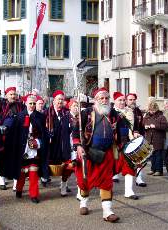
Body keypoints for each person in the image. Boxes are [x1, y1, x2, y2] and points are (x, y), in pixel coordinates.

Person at [73, 87, 121, 223]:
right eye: (102, 98)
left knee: (106, 181)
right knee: (84, 180)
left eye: (106, 98)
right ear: (95, 100)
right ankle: (83, 203)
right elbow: (76, 133)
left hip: (107, 153)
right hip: (88, 152)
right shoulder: (86, 113)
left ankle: (107, 211)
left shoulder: (114, 114)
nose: (105, 100)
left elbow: (121, 131)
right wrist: (78, 146)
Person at [12, 94, 46, 203]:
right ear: (25, 103)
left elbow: (43, 133)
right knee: (22, 171)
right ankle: (19, 189)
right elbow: (15, 134)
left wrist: (38, 142)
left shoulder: (40, 116)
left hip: (34, 148)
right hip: (22, 147)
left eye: (34, 103)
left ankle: (34, 195)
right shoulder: (19, 116)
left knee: (33, 171)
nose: (32, 105)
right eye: (30, 103)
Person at [45, 90, 74, 196]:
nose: (60, 101)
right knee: (50, 165)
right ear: (54, 101)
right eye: (58, 99)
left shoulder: (67, 113)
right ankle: (45, 178)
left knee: (68, 165)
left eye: (62, 99)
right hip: (52, 144)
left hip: (64, 144)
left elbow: (72, 127)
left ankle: (64, 184)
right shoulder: (47, 112)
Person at [0, 87, 25, 190]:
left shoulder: (21, 106)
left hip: (16, 136)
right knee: (3, 158)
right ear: (6, 95)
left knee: (15, 158)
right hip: (4, 136)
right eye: (11, 94)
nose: (13, 96)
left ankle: (15, 182)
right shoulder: (1, 105)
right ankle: (1, 180)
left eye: (14, 94)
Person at [112, 92, 139, 200]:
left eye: (123, 100)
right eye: (120, 100)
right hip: (115, 143)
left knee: (129, 167)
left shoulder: (130, 112)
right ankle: (106, 190)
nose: (122, 102)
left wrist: (136, 132)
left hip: (129, 142)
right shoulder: (111, 112)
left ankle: (129, 191)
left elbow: (135, 126)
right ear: (115, 101)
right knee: (112, 167)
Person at [125, 93, 146, 187]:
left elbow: (140, 124)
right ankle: (115, 175)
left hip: (137, 137)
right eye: (130, 99)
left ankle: (139, 178)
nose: (132, 101)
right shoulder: (123, 110)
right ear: (126, 101)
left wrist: (141, 135)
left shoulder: (138, 111)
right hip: (126, 138)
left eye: (134, 99)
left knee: (139, 159)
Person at [143, 101, 168, 176]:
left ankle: (159, 170)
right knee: (152, 155)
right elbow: (143, 124)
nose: (152, 112)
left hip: (158, 139)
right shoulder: (146, 116)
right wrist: (145, 127)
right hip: (149, 139)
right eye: (150, 110)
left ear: (156, 109)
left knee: (158, 155)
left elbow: (165, 126)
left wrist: (155, 126)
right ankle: (152, 169)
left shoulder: (161, 116)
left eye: (153, 110)